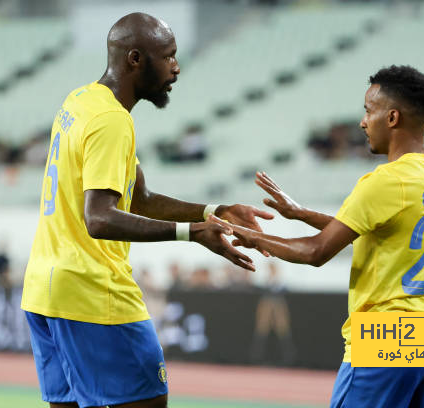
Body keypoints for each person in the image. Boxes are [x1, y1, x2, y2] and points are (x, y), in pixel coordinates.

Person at [20, 12, 272, 408]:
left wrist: (212, 212)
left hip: (45, 291)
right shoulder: (111, 121)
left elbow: (138, 198)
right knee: (148, 400)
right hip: (93, 293)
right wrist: (192, 234)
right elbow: (99, 218)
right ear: (135, 59)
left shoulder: (81, 101)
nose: (176, 67)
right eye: (168, 56)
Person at [216, 65, 424, 408]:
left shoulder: (384, 181)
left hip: (385, 336)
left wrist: (253, 238)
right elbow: (378, 234)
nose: (362, 122)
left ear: (392, 118)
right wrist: (302, 214)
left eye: (368, 111)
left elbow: (316, 252)